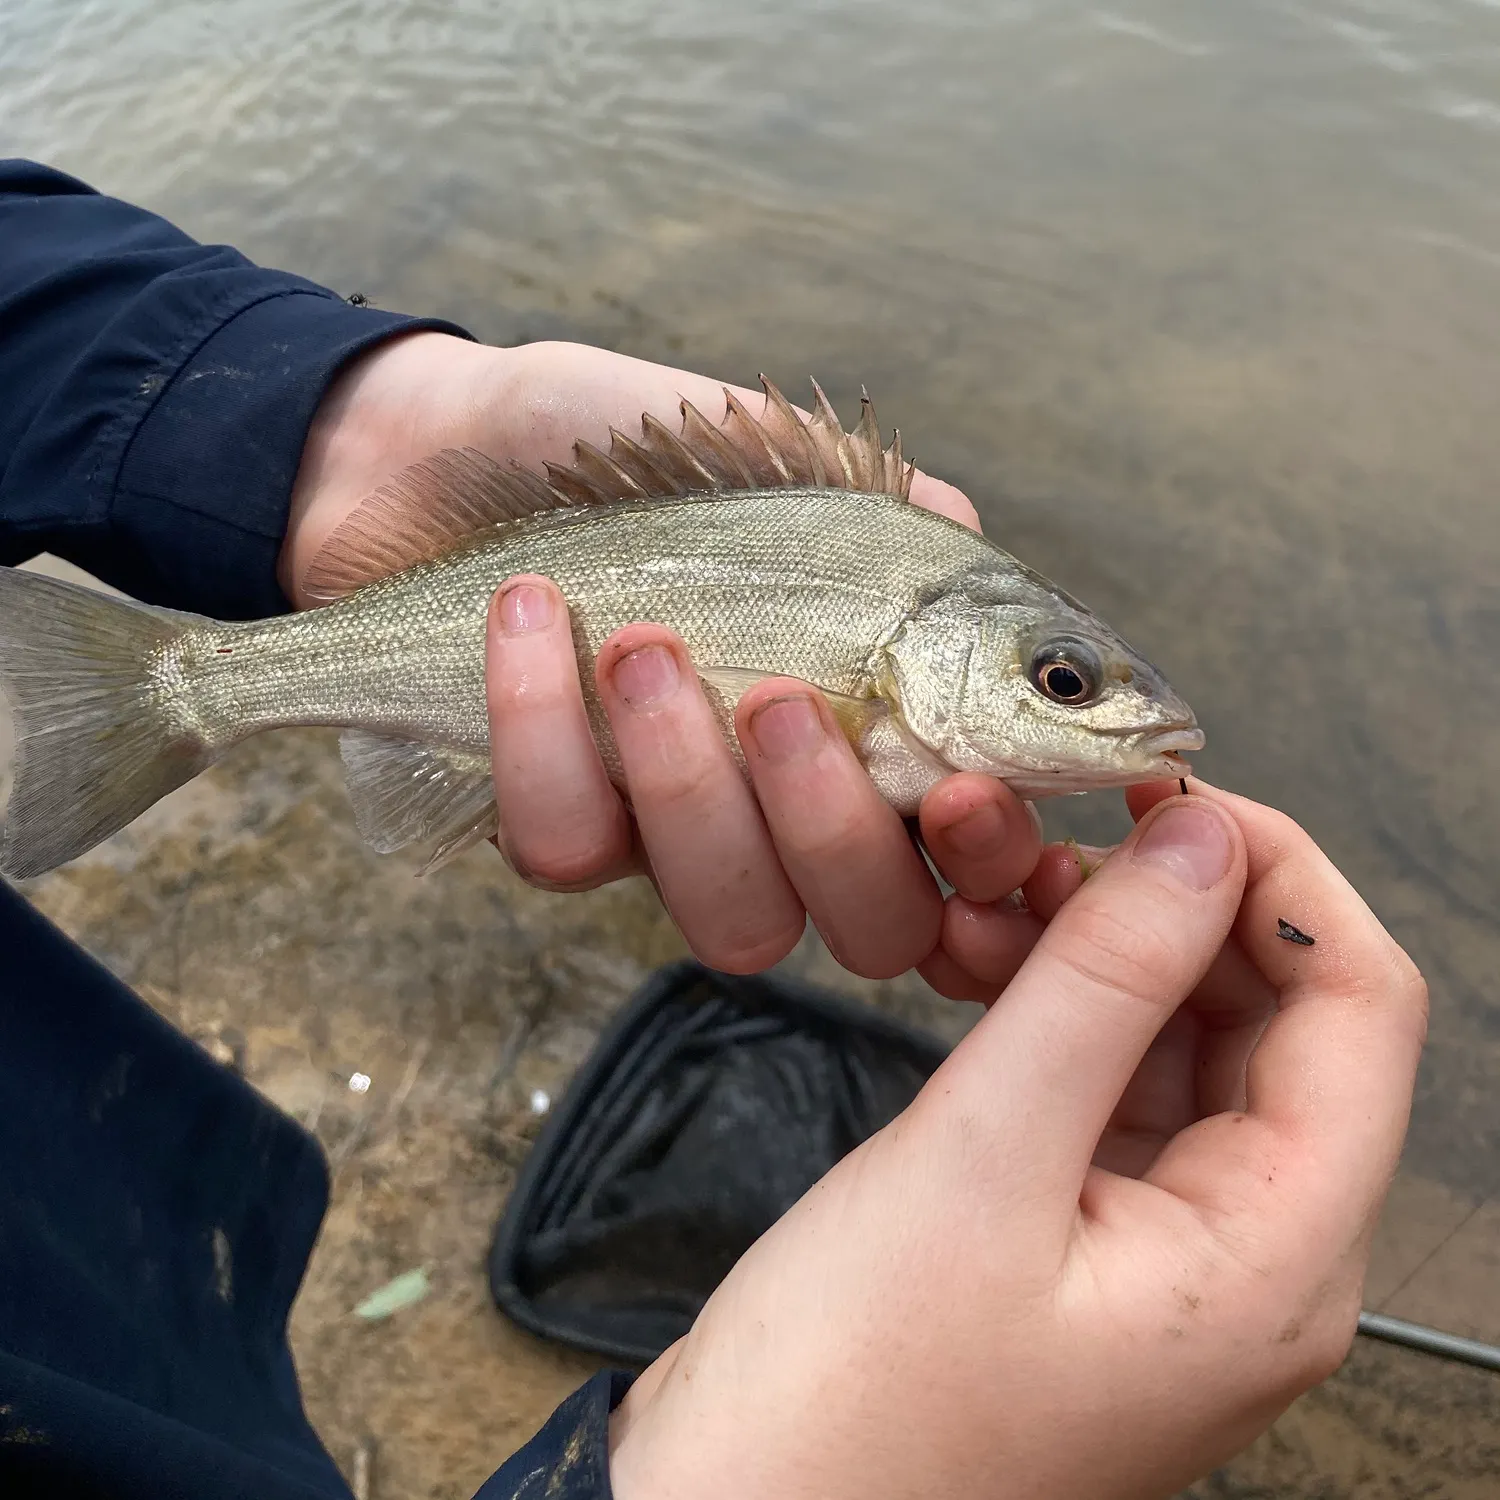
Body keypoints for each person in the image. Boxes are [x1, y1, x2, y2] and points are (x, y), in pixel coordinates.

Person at [0, 159, 1427, 1499]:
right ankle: (182, 683)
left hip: (132, 1225)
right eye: (1062, 683)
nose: (1108, 715)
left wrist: (332, 417)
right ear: (921, 655)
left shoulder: (915, 602)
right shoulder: (892, 604)